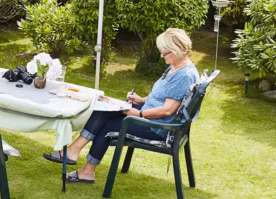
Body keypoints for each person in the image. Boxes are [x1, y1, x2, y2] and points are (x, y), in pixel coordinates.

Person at [43, 28, 199, 183]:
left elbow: (167, 110)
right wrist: (141, 100)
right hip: (150, 115)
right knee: (103, 109)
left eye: (164, 52)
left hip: (158, 127)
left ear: (176, 50)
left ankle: (86, 170)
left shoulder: (184, 76)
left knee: (108, 127)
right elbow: (164, 96)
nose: (161, 55)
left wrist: (137, 114)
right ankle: (73, 151)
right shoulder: (177, 66)